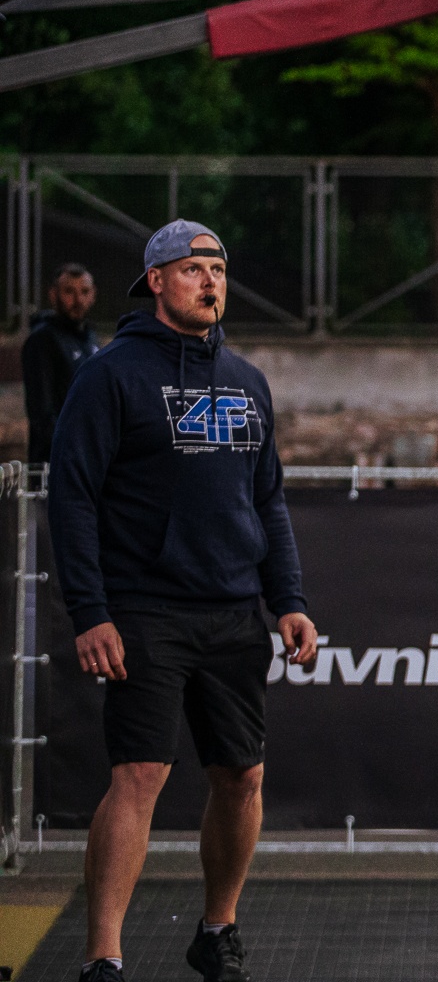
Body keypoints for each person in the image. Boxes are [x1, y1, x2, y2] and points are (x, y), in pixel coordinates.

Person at [46, 220, 318, 982]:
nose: (211, 281)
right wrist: (91, 611)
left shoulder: (247, 381)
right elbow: (72, 499)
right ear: (156, 281)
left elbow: (268, 501)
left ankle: (216, 931)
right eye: (194, 269)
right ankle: (103, 957)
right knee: (139, 776)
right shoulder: (109, 375)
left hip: (233, 612)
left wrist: (288, 599)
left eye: (219, 270)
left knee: (242, 778)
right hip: (144, 612)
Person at [23, 263, 98, 466]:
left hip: (88, 457)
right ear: (53, 295)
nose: (78, 300)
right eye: (69, 292)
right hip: (56, 462)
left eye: (84, 292)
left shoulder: (90, 338)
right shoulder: (42, 340)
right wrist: (74, 448)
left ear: (93, 295)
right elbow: (42, 412)